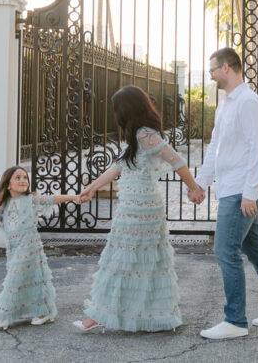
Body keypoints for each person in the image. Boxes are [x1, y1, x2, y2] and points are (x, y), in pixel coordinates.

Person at [73, 86, 201, 333]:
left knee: (124, 261)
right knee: (134, 261)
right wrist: (90, 188)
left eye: (117, 109)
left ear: (126, 110)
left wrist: (193, 188)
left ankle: (101, 315)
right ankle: (138, 316)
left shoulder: (145, 135)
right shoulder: (137, 135)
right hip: (132, 207)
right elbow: (117, 167)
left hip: (141, 210)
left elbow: (177, 161)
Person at [188, 47, 258, 340]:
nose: (209, 75)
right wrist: (200, 184)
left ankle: (234, 321)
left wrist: (250, 193)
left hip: (243, 189)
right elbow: (216, 150)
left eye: (212, 70)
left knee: (225, 250)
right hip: (232, 186)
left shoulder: (249, 102)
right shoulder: (225, 104)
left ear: (226, 68)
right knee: (253, 247)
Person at [0, 166, 80, 332]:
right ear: (7, 184)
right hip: (14, 248)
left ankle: (2, 317)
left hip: (30, 246)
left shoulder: (31, 199)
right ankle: (44, 311)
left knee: (13, 280)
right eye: (17, 177)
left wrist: (74, 197)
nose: (23, 180)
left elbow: (52, 199)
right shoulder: (3, 205)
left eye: (25, 177)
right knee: (34, 278)